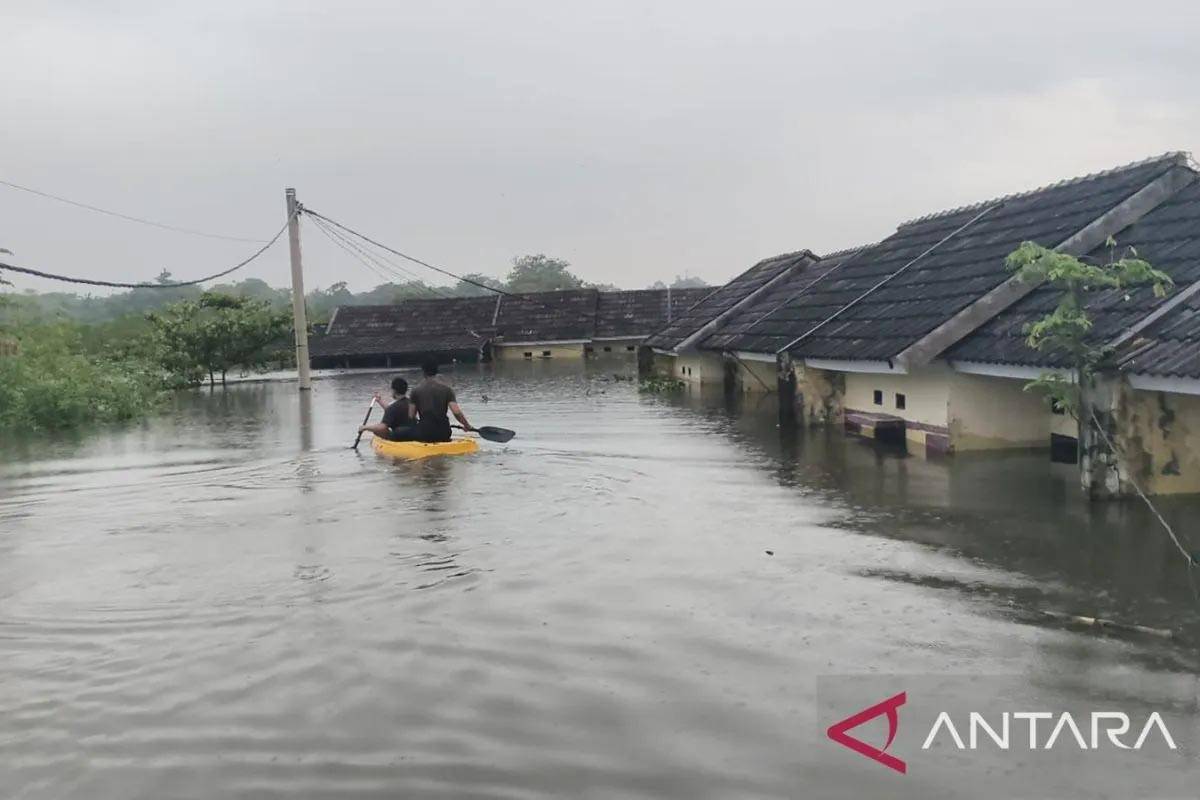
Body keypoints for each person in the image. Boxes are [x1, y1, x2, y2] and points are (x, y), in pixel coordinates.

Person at [410, 358, 474, 442]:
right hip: (444, 432)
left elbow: (411, 416)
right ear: (437, 371)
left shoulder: (415, 391)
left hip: (424, 432)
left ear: (423, 372)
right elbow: (456, 412)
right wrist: (467, 425)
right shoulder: (447, 389)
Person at [359, 376, 419, 441]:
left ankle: (388, 442)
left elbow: (382, 427)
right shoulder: (411, 403)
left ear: (394, 390)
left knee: (377, 431)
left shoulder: (393, 407)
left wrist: (365, 427)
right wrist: (380, 401)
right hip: (414, 433)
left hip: (400, 436)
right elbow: (391, 411)